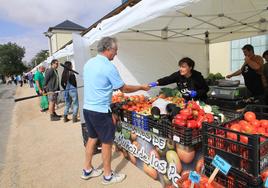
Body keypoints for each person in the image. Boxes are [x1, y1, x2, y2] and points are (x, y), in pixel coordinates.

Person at [81, 37, 150, 185]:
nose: (116, 53)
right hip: (100, 110)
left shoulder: (89, 63)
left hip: (88, 108)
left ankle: (87, 170)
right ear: (108, 49)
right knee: (106, 143)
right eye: (115, 50)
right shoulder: (108, 66)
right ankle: (107, 176)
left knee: (92, 138)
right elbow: (123, 88)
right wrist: (141, 87)